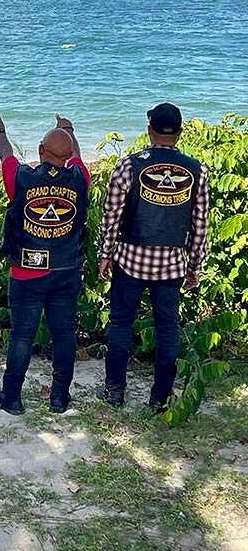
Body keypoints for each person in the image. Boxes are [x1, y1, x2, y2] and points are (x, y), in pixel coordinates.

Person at [96, 103, 209, 410]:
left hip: (130, 260)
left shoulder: (129, 165)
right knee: (167, 329)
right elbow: (200, 223)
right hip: (172, 264)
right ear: (180, 133)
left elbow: (111, 215)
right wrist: (194, 264)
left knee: (120, 325)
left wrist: (105, 254)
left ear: (149, 130)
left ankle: (115, 390)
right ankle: (159, 396)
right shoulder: (196, 169)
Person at [0, 112, 89, 415]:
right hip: (66, 268)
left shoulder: (20, 178)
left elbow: (5, 154)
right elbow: (78, 157)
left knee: (22, 335)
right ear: (69, 156)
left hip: (27, 270)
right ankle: (59, 397)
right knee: (63, 334)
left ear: (39, 151)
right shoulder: (80, 178)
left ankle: (12, 397)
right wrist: (68, 129)